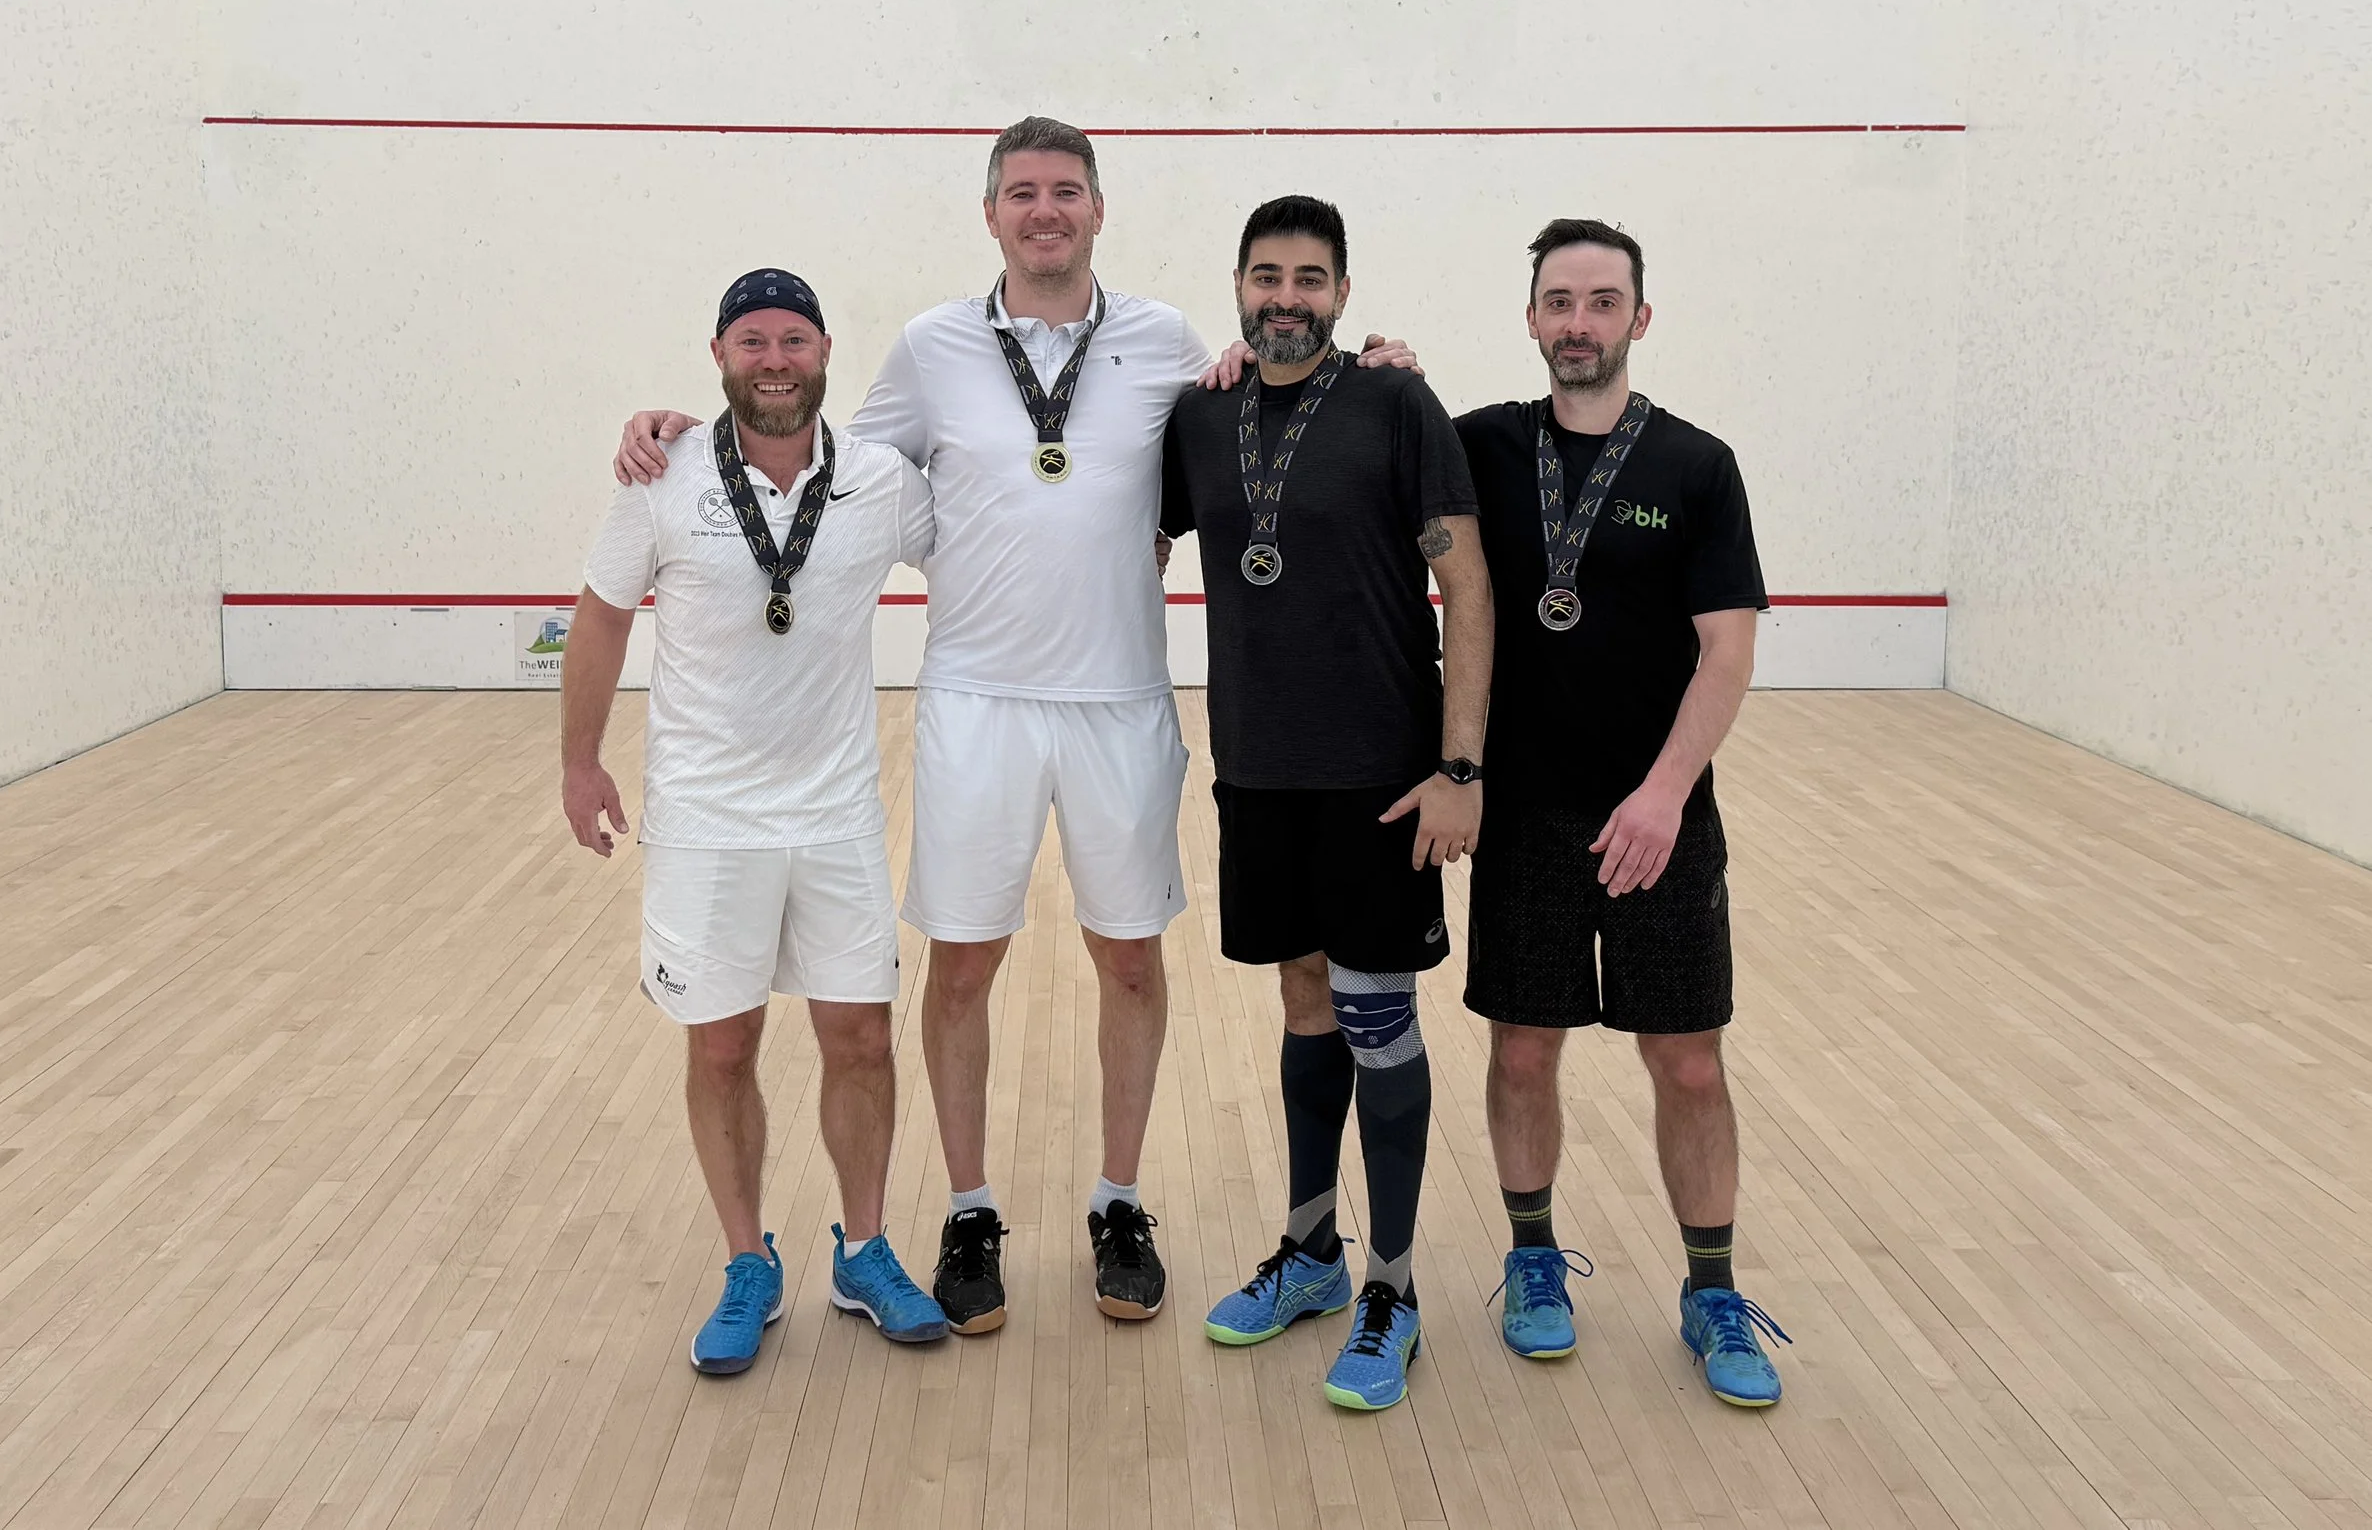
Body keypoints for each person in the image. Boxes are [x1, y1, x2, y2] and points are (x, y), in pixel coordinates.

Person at [610, 121, 1421, 1333]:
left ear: (1098, 210)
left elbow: (1275, 399)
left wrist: (1376, 365)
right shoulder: (931, 346)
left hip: (1120, 702)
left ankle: (1118, 1204)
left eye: (1067, 191)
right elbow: (824, 457)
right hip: (974, 703)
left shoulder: (1165, 341)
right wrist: (683, 434)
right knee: (963, 963)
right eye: (1024, 192)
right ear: (991, 213)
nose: (1046, 210)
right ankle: (970, 1212)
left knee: (1129, 959)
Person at [561, 269, 949, 1377]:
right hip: (705, 821)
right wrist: (579, 761)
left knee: (860, 1038)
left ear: (824, 351)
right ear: (720, 356)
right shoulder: (662, 475)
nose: (774, 361)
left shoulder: (882, 480)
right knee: (723, 1044)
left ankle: (864, 1251)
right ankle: (747, 1262)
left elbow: (993, 534)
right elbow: (599, 619)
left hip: (836, 814)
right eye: (752, 342)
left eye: (792, 341)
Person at [1160, 196, 1493, 1412]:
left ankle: (1391, 1290)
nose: (1286, 298)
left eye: (1309, 279)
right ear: (1238, 288)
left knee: (1373, 1006)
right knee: (1304, 995)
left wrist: (1461, 769)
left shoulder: (1399, 404)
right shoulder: (1200, 415)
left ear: (1343, 294)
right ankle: (1310, 1254)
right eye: (1267, 277)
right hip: (1256, 768)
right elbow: (1121, 530)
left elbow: (1467, 584)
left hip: (1378, 776)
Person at [1452, 219, 1790, 1406]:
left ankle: (1712, 1292)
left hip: (1661, 819)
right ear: (1530, 317)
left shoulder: (1697, 466)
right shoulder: (1481, 446)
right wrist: (1363, 363)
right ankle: (1533, 1261)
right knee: (1521, 1049)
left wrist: (1661, 792)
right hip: (1524, 818)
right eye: (1559, 301)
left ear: (1639, 318)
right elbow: (1371, 445)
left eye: (1602, 302)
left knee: (1687, 1064)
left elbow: (1726, 653)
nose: (1579, 323)